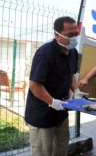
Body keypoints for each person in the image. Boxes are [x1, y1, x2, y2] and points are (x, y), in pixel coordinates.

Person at [24, 16, 86, 156]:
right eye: (70, 35)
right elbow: (34, 84)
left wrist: (75, 90)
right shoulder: (45, 54)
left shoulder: (73, 52)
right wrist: (51, 101)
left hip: (61, 113)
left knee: (61, 150)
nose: (74, 38)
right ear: (57, 35)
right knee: (44, 152)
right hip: (42, 116)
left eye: (76, 34)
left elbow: (70, 73)